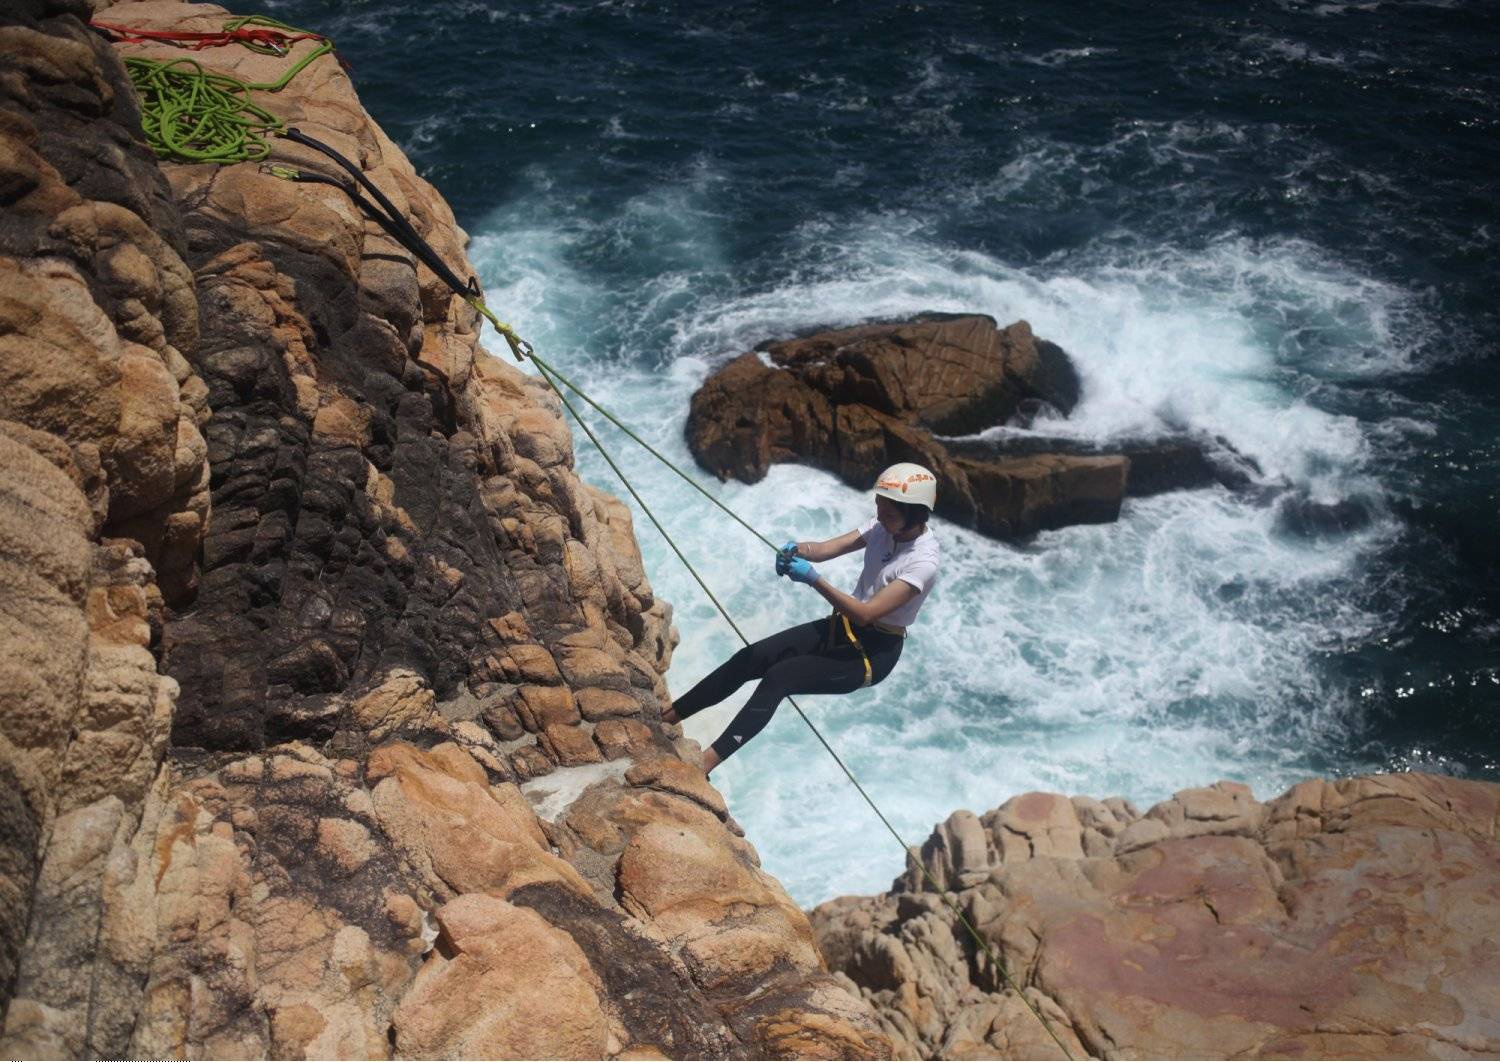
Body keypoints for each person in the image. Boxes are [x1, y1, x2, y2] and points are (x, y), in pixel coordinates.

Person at [662, 462, 941, 775]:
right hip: (843, 628)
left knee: (780, 677)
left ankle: (704, 765)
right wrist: (800, 549)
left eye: (888, 513)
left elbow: (865, 614)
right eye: (878, 507)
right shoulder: (884, 526)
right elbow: (829, 547)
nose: (879, 516)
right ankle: (667, 717)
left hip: (871, 653)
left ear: (915, 515)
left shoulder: (923, 562)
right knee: (752, 656)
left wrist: (813, 579)